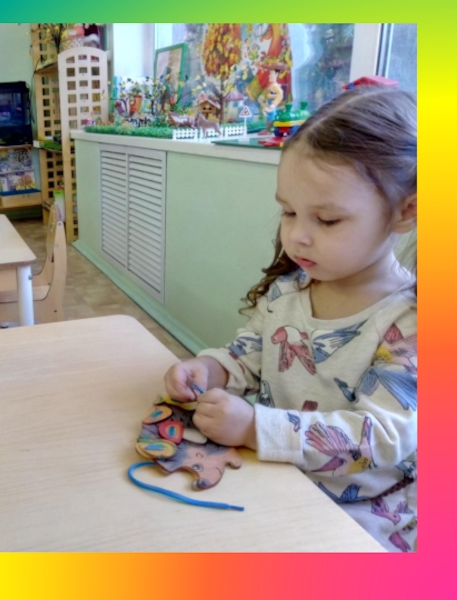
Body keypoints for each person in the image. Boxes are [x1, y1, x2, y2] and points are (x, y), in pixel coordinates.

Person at [164, 86, 417, 552]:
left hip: (360, 519)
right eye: (288, 212)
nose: (297, 236)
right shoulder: (289, 288)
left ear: (406, 211)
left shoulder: (413, 323)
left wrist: (253, 428)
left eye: (327, 220)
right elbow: (249, 355)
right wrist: (211, 369)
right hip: (274, 479)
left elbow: (377, 438)